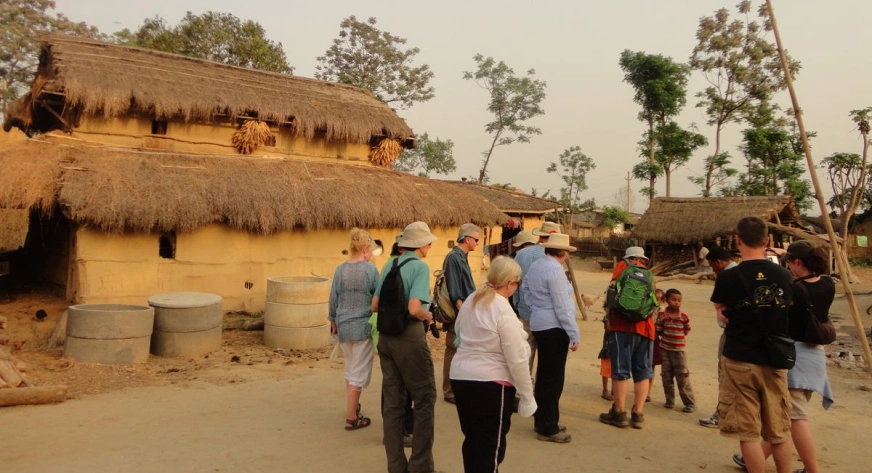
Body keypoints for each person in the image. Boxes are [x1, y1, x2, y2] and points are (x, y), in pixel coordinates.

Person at [732, 240, 835, 473]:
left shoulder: (794, 288)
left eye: (789, 262)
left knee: (794, 417)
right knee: (784, 413)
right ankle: (753, 457)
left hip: (795, 355)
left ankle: (812, 469)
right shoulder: (828, 284)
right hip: (815, 356)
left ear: (797, 262)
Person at [711, 217, 794, 473]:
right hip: (775, 358)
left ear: (738, 241)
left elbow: (721, 311)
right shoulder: (784, 274)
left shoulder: (728, 277)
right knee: (778, 431)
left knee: (748, 434)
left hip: (739, 358)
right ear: (767, 241)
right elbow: (788, 309)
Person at [450, 256, 537, 472]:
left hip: (462, 377)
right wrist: (527, 395)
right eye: (517, 283)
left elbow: (458, 335)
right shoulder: (502, 310)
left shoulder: (472, 299)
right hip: (490, 384)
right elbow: (516, 358)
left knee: (472, 441)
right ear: (510, 283)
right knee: (490, 449)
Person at [373, 221, 438, 473]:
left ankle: (396, 466)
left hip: (386, 336)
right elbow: (413, 308)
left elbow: (375, 305)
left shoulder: (390, 263)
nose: (430, 246)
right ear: (420, 245)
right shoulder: (420, 267)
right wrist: (427, 316)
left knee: (393, 402)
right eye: (428, 242)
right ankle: (420, 466)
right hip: (408, 336)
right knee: (424, 398)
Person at [521, 232, 579, 443]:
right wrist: (574, 334)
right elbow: (562, 306)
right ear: (563, 252)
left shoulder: (537, 265)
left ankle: (543, 420)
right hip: (554, 327)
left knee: (545, 376)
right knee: (553, 379)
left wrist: (535, 306)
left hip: (540, 322)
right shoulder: (554, 270)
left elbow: (525, 287)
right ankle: (548, 426)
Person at [329, 228, 381, 430]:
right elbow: (377, 296)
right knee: (359, 371)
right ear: (366, 249)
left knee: (350, 367)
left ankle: (352, 407)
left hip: (343, 325)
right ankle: (351, 417)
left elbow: (334, 297)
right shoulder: (370, 270)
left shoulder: (340, 269)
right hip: (362, 325)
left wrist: (332, 319)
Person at [600, 246, 656, 429]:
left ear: (627, 257)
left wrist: (608, 317)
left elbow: (611, 292)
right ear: (643, 259)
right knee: (643, 371)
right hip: (646, 328)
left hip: (621, 327)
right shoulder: (648, 274)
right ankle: (638, 414)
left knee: (621, 370)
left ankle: (620, 413)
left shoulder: (623, 267)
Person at [371, 235, 415, 447]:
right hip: (398, 330)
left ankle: (398, 426)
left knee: (393, 382)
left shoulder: (389, 264)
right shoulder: (408, 266)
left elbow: (375, 304)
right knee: (399, 383)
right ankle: (399, 428)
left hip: (384, 328)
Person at [514, 221, 561, 373]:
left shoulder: (521, 255)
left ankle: (523, 388)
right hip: (548, 317)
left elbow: (514, 284)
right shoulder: (555, 258)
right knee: (547, 357)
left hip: (525, 312)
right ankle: (540, 390)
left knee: (526, 352)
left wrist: (517, 305)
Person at [441, 223, 480, 405]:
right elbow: (456, 290)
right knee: (453, 348)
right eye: (477, 239)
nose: (478, 244)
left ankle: (456, 387)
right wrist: (463, 314)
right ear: (468, 239)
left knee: (460, 349)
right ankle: (449, 391)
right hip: (459, 311)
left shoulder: (461, 257)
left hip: (464, 309)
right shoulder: (454, 258)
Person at [699, 245, 738, 428]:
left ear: (719, 262)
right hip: (747, 334)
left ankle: (721, 414)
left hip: (731, 333)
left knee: (725, 374)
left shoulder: (726, 277)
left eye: (712, 265)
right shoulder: (743, 272)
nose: (712, 269)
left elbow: (720, 306)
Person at [654, 288, 696, 413]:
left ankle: (689, 403)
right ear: (666, 300)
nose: (676, 302)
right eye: (673, 300)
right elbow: (659, 330)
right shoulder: (662, 316)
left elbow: (686, 330)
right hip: (665, 350)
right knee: (666, 376)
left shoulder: (683, 317)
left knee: (682, 376)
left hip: (679, 351)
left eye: (679, 300)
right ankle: (670, 400)